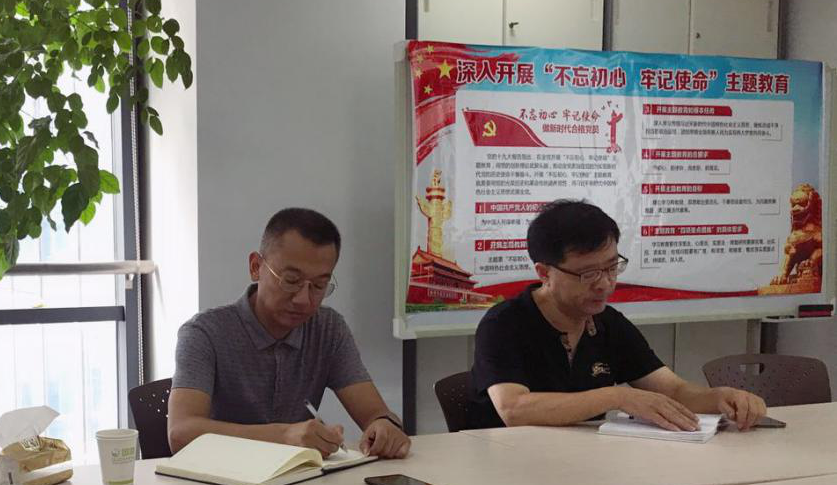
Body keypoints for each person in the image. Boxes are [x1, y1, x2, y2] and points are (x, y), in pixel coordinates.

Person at [467, 199, 766, 432]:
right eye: (588, 273)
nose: (605, 284)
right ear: (545, 273)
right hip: (505, 462)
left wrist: (720, 398)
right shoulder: (505, 323)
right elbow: (515, 409)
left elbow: (673, 389)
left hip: (582, 461)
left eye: (612, 267)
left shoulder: (607, 323)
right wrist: (616, 397)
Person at [168, 207, 409, 458]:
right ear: (256, 267)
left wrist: (384, 426)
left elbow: (375, 413)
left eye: (319, 285)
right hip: (222, 474)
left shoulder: (328, 329)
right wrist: (283, 436)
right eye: (291, 280)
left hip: (300, 476)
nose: (304, 299)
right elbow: (181, 433)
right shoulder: (205, 333)